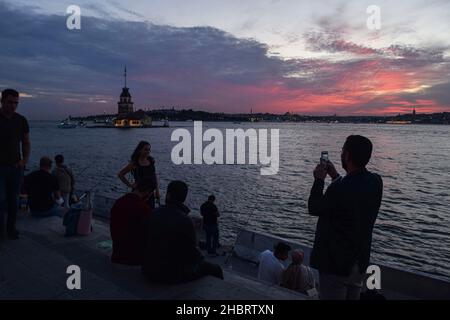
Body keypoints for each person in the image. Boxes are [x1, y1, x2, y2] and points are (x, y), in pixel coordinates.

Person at [308, 135, 383, 300]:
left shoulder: (339, 189)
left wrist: (319, 180)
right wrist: (335, 177)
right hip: (359, 263)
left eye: (342, 150)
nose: (341, 153)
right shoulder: (376, 182)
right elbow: (351, 198)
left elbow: (314, 208)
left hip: (336, 265)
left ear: (347, 155)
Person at [142, 180, 223, 284]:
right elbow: (193, 254)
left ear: (168, 195)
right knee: (216, 269)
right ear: (184, 198)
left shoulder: (154, 213)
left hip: (148, 268)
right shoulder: (185, 220)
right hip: (170, 275)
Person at [0, 88, 30, 240]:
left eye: (16, 103)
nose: (13, 106)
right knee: (0, 200)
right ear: (2, 101)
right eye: (10, 102)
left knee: (13, 201)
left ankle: (11, 229)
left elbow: (25, 142)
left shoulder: (21, 120)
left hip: (15, 168)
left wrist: (24, 161)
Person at [110, 178, 154, 266]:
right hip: (134, 259)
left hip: (117, 254)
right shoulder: (144, 210)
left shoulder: (118, 202)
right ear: (148, 192)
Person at [118, 141, 160, 209]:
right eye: (146, 149)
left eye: (149, 149)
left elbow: (154, 176)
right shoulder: (135, 163)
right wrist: (130, 184)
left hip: (150, 194)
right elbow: (120, 174)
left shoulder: (151, 161)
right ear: (140, 150)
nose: (148, 151)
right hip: (139, 195)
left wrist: (157, 191)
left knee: (149, 215)